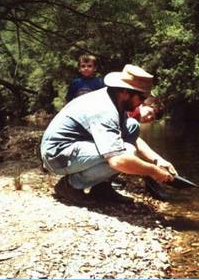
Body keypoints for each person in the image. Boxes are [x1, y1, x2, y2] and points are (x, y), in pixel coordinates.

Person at [41, 64, 177, 204]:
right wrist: (153, 171)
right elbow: (118, 160)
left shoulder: (116, 100)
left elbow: (133, 139)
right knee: (126, 151)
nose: (141, 104)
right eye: (141, 98)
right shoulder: (105, 110)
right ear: (125, 92)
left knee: (132, 126)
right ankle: (70, 186)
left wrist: (158, 160)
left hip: (73, 148)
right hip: (57, 156)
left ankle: (101, 188)